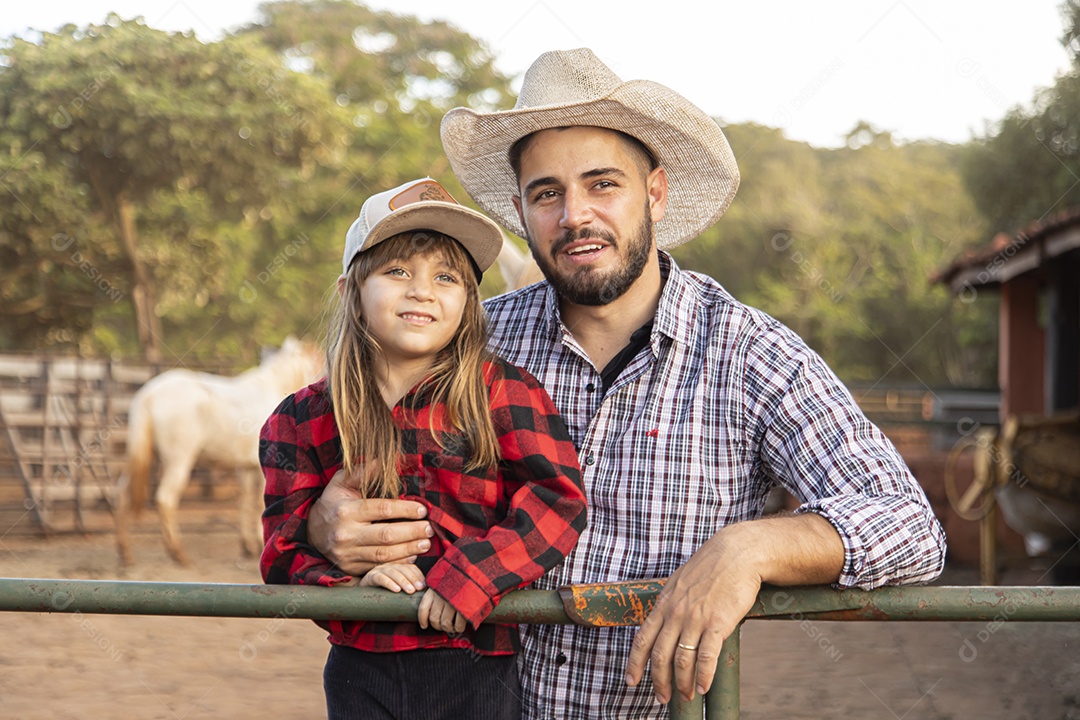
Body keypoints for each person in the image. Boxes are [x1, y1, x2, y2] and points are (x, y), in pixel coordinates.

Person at [305, 49, 948, 718]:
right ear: (523, 213)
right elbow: (340, 454)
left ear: (656, 192)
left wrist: (751, 546)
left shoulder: (750, 354)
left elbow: (909, 525)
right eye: (547, 193)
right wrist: (325, 525)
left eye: (602, 183)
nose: (575, 215)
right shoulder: (468, 341)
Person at [258, 177, 588, 720]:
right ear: (351, 293)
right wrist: (349, 584)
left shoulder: (503, 393)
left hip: (476, 666)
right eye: (396, 272)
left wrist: (475, 576)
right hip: (359, 666)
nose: (422, 290)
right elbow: (282, 551)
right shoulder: (299, 420)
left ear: (469, 301)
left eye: (446, 277)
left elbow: (557, 500)